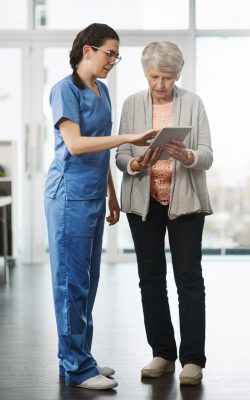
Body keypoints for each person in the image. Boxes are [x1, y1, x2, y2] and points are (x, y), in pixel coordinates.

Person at [44, 23, 156, 391]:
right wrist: (129, 137)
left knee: (87, 284)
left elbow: (101, 149)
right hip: (68, 196)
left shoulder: (102, 90)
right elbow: (76, 145)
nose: (113, 61)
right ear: (87, 50)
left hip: (93, 194)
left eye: (116, 55)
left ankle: (78, 359)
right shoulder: (65, 89)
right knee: (70, 284)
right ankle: (77, 368)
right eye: (110, 53)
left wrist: (111, 192)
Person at [116, 41, 213, 386]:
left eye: (168, 78)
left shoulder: (193, 103)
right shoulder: (130, 104)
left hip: (184, 201)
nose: (161, 84)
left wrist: (187, 156)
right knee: (151, 278)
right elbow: (121, 153)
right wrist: (133, 163)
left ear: (179, 75)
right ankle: (162, 353)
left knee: (189, 278)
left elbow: (207, 155)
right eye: (155, 76)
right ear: (146, 72)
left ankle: (192, 360)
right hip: (144, 203)